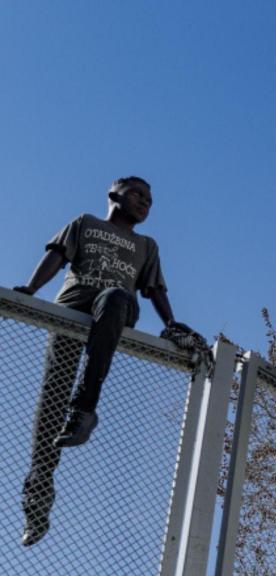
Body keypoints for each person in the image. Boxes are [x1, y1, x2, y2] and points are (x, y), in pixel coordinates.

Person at [14, 176, 197, 547]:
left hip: (116, 309)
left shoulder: (146, 245)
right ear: (114, 194)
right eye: (137, 194)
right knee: (51, 399)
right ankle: (38, 494)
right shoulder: (85, 223)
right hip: (70, 311)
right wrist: (31, 290)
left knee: (114, 296)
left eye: (149, 200)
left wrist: (171, 322)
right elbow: (57, 256)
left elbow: (154, 289)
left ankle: (85, 408)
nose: (144, 202)